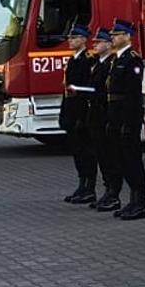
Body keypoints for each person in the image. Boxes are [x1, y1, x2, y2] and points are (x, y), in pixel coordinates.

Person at [101, 19, 145, 221]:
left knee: (132, 161)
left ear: (128, 36)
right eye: (113, 34)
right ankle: (131, 200)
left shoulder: (132, 60)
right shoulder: (116, 60)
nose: (113, 37)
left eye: (117, 34)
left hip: (127, 117)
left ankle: (139, 202)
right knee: (121, 159)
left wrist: (129, 123)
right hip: (115, 115)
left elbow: (133, 95)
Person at [59, 24, 102, 204]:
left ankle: (89, 187)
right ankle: (82, 184)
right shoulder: (73, 60)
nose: (71, 40)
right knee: (77, 151)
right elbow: (66, 89)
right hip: (71, 110)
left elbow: (88, 90)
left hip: (82, 112)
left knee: (87, 152)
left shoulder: (88, 60)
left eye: (75, 38)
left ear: (84, 40)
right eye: (70, 38)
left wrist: (83, 117)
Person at [89, 24, 124, 213]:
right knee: (101, 155)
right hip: (95, 114)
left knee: (110, 157)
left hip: (106, 114)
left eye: (100, 41)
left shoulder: (112, 63)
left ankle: (113, 194)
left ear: (109, 44)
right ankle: (107, 191)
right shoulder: (97, 62)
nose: (95, 44)